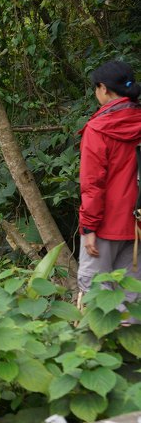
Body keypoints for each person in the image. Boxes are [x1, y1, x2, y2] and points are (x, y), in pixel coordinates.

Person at [79, 60, 141, 312]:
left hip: (105, 225)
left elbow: (93, 185)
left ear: (103, 88)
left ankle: (98, 347)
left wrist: (88, 227)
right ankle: (127, 348)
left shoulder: (98, 128)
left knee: (95, 291)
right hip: (137, 225)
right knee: (130, 295)